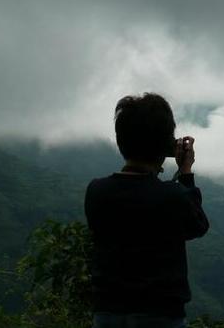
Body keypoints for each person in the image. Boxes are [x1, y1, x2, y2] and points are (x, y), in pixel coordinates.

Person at [85, 93, 209, 328]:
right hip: (161, 316)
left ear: (121, 141)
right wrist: (185, 172)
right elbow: (197, 225)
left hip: (107, 315)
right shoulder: (172, 196)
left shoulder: (96, 192)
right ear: (164, 145)